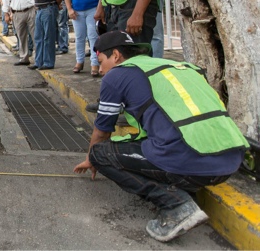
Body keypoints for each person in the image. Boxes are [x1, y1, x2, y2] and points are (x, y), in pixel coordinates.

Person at [74, 31, 248, 243]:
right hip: (231, 161)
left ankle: (175, 204)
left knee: (101, 153)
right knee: (147, 142)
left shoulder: (116, 76)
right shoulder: (179, 67)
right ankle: (184, 186)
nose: (100, 70)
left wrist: (92, 159)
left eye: (101, 61)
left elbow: (102, 131)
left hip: (193, 163)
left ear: (117, 55)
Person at [64, 0, 104, 76]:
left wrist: (100, 8)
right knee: (79, 37)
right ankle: (79, 62)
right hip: (77, 11)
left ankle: (94, 64)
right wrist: (69, 9)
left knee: (92, 36)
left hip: (93, 9)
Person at [30, 0, 62, 70]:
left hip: (48, 9)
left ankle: (48, 63)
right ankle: (38, 62)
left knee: (48, 37)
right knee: (38, 37)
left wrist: (54, 6)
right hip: (39, 10)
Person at [2, 0, 35, 66]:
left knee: (35, 35)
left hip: (30, 11)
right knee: (21, 36)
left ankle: (37, 59)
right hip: (17, 13)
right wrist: (6, 15)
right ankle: (24, 58)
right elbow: (6, 1)